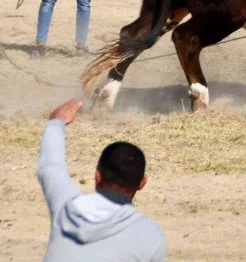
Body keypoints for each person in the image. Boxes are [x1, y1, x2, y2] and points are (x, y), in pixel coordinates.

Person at [38, 98, 166, 260]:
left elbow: (49, 167)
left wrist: (56, 123)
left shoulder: (66, 207)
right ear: (142, 183)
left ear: (97, 175)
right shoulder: (151, 237)